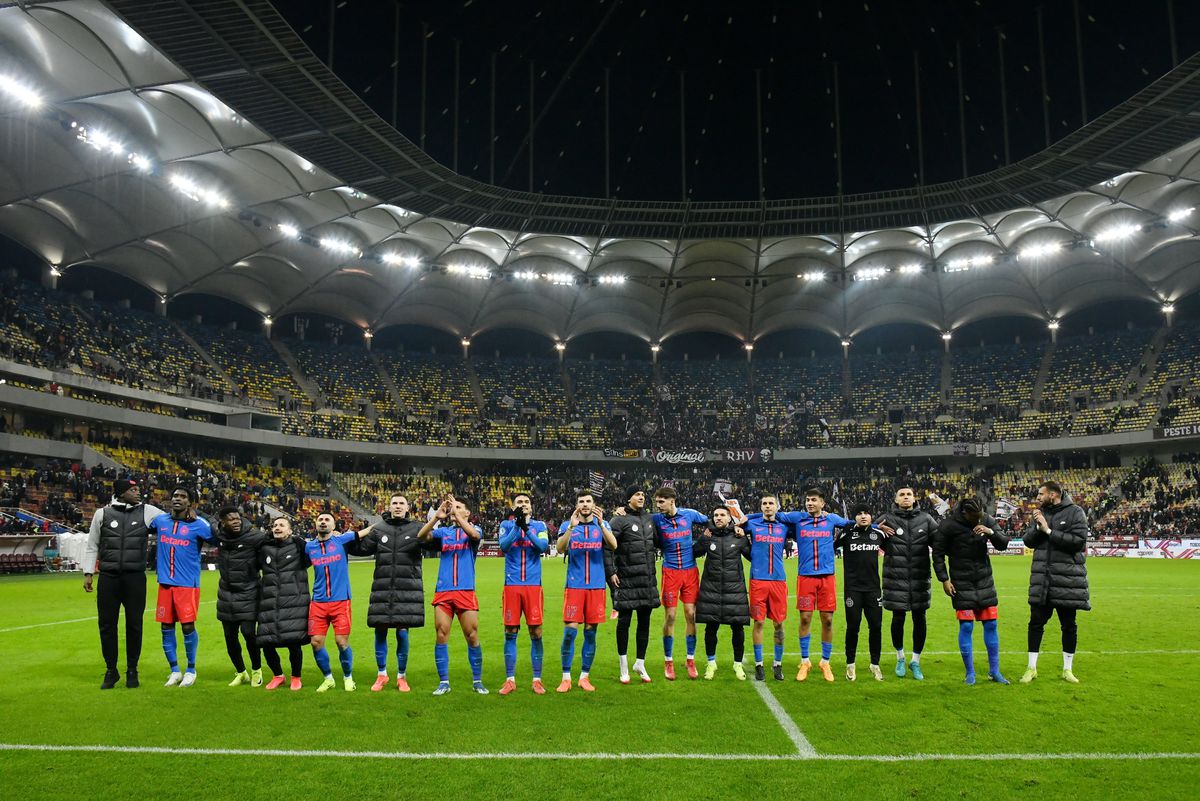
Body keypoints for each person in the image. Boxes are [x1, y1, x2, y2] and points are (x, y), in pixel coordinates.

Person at [82, 478, 163, 689]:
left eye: (138, 489)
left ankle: (132, 670)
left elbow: (171, 521)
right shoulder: (102, 514)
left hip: (135, 577)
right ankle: (111, 670)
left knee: (134, 624)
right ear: (121, 492)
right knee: (107, 624)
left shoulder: (148, 511)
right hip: (108, 577)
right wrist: (88, 572)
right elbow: (92, 545)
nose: (138, 493)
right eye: (133, 490)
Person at [352, 493, 428, 693]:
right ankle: (382, 674)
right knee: (380, 630)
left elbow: (433, 543)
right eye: (394, 503)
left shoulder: (417, 528)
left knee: (403, 632)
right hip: (382, 589)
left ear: (407, 507)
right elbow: (361, 549)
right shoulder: (379, 529)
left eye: (401, 503)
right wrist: (352, 535)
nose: (397, 506)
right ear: (389, 506)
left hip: (407, 590)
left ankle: (401, 677)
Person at [775, 487, 851, 682]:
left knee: (827, 619)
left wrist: (878, 525)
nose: (810, 503)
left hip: (827, 577)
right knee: (806, 618)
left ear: (822, 503)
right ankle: (805, 661)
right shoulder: (798, 519)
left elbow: (852, 523)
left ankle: (825, 662)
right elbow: (772, 514)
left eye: (814, 500)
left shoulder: (832, 519)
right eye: (808, 499)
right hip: (806, 577)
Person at [933, 497, 1010, 685]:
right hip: (961, 583)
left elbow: (1003, 544)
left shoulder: (986, 520)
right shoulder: (948, 525)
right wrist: (944, 579)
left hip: (984, 581)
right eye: (974, 517)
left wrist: (990, 531)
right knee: (966, 626)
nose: (977, 520)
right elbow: (938, 553)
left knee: (991, 625)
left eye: (979, 516)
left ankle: (995, 672)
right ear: (965, 513)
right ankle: (970, 673)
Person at [1020, 480, 1090, 684]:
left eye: (1041, 494)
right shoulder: (1041, 513)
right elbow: (1028, 541)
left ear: (1053, 494)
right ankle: (1031, 668)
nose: (1038, 498)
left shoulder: (1076, 512)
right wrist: (1039, 526)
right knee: (1035, 624)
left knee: (1068, 625)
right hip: (1042, 581)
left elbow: (1078, 542)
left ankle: (1067, 670)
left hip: (1067, 581)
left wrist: (1049, 531)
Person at [418, 495, 487, 695]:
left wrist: (457, 515)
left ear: (467, 512)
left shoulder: (475, 530)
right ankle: (444, 683)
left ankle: (477, 681)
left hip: (465, 590)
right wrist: (436, 517)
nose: (453, 510)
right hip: (444, 590)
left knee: (472, 635)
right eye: (451, 507)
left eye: (458, 507)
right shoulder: (444, 533)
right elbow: (421, 537)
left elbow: (474, 536)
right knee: (441, 634)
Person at [150, 486, 214, 687]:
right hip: (165, 584)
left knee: (187, 626)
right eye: (175, 495)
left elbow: (218, 538)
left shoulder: (198, 524)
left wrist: (200, 515)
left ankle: (191, 670)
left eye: (183, 496)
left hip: (187, 584)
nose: (177, 499)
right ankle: (174, 671)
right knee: (166, 627)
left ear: (190, 503)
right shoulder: (160, 521)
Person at [555, 490, 617, 692]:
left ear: (594, 504)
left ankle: (584, 677)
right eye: (581, 501)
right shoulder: (568, 526)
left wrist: (601, 524)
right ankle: (566, 677)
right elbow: (561, 548)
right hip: (574, 586)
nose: (585, 504)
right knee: (570, 633)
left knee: (591, 634)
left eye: (588, 501)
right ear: (577, 505)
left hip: (596, 587)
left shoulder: (603, 525)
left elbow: (614, 545)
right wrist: (571, 528)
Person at [875, 483, 939, 680]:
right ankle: (900, 657)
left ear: (914, 498)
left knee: (920, 619)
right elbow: (865, 534)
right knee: (898, 618)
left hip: (920, 579)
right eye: (901, 494)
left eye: (908, 494)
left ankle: (915, 661)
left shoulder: (926, 519)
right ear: (896, 500)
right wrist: (877, 529)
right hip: (895, 578)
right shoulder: (887, 519)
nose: (905, 497)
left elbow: (940, 541)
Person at [305, 512, 370, 692]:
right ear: (315, 524)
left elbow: (366, 531)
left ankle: (348, 677)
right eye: (320, 520)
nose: (323, 522)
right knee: (316, 642)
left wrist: (385, 522)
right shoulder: (309, 547)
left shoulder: (342, 541)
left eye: (327, 520)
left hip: (341, 601)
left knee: (342, 642)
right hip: (317, 602)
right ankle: (328, 679)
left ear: (334, 527)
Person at [651, 486, 709, 680]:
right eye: (657, 502)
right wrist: (622, 511)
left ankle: (690, 660)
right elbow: (638, 519)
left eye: (661, 502)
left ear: (672, 500)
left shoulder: (690, 515)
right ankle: (668, 661)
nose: (658, 505)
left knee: (691, 615)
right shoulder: (656, 519)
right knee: (670, 616)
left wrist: (708, 536)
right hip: (670, 572)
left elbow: (713, 522)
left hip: (690, 572)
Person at [604, 486, 660, 684]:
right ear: (629, 498)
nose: (642, 497)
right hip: (626, 580)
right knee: (624, 623)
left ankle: (640, 663)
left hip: (646, 579)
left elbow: (659, 541)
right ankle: (623, 666)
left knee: (644, 623)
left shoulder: (650, 519)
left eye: (643, 495)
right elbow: (607, 547)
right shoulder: (618, 520)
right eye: (637, 494)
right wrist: (610, 572)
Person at [498, 492, 550, 695]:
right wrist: (517, 527)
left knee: (536, 632)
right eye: (519, 502)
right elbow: (504, 546)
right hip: (511, 586)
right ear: (513, 506)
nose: (524, 504)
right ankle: (510, 680)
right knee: (510, 632)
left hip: (533, 586)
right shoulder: (506, 524)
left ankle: (537, 680)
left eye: (527, 502)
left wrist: (526, 528)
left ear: (531, 506)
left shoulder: (540, 526)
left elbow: (542, 546)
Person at [737, 494, 792, 681]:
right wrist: (749, 517)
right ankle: (759, 664)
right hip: (758, 580)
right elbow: (737, 520)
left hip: (778, 580)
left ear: (777, 507)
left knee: (778, 624)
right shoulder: (752, 525)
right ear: (760, 507)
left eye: (771, 504)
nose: (768, 506)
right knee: (759, 622)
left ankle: (778, 664)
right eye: (764, 504)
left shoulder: (784, 526)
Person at [693, 506, 751, 680]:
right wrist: (703, 539)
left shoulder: (738, 536)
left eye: (722, 515)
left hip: (735, 590)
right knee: (711, 627)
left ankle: (738, 664)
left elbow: (752, 556)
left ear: (729, 518)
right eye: (716, 515)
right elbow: (694, 553)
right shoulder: (708, 536)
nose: (718, 518)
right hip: (712, 589)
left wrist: (747, 536)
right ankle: (711, 663)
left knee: (738, 628)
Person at [214, 506, 266, 687]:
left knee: (249, 633)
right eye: (231, 519)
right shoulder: (220, 536)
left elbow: (274, 541)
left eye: (237, 518)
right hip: (226, 594)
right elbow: (206, 521)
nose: (235, 522)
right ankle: (241, 672)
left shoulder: (254, 536)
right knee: (229, 636)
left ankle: (257, 670)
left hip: (249, 592)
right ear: (223, 522)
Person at [257, 516, 309, 691]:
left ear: (290, 530)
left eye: (282, 525)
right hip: (269, 601)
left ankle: (296, 677)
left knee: (293, 641)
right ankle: (278, 675)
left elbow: (315, 555)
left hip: (294, 601)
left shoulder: (298, 547)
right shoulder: (265, 548)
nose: (277, 528)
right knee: (266, 642)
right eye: (275, 525)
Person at [834, 504, 884, 682]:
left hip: (873, 590)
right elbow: (831, 547)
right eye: (859, 514)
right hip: (853, 590)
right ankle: (850, 664)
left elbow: (894, 551)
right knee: (853, 627)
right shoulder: (847, 535)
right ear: (854, 517)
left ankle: (875, 664)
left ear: (871, 516)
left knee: (876, 627)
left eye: (866, 513)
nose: (863, 516)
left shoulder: (879, 535)